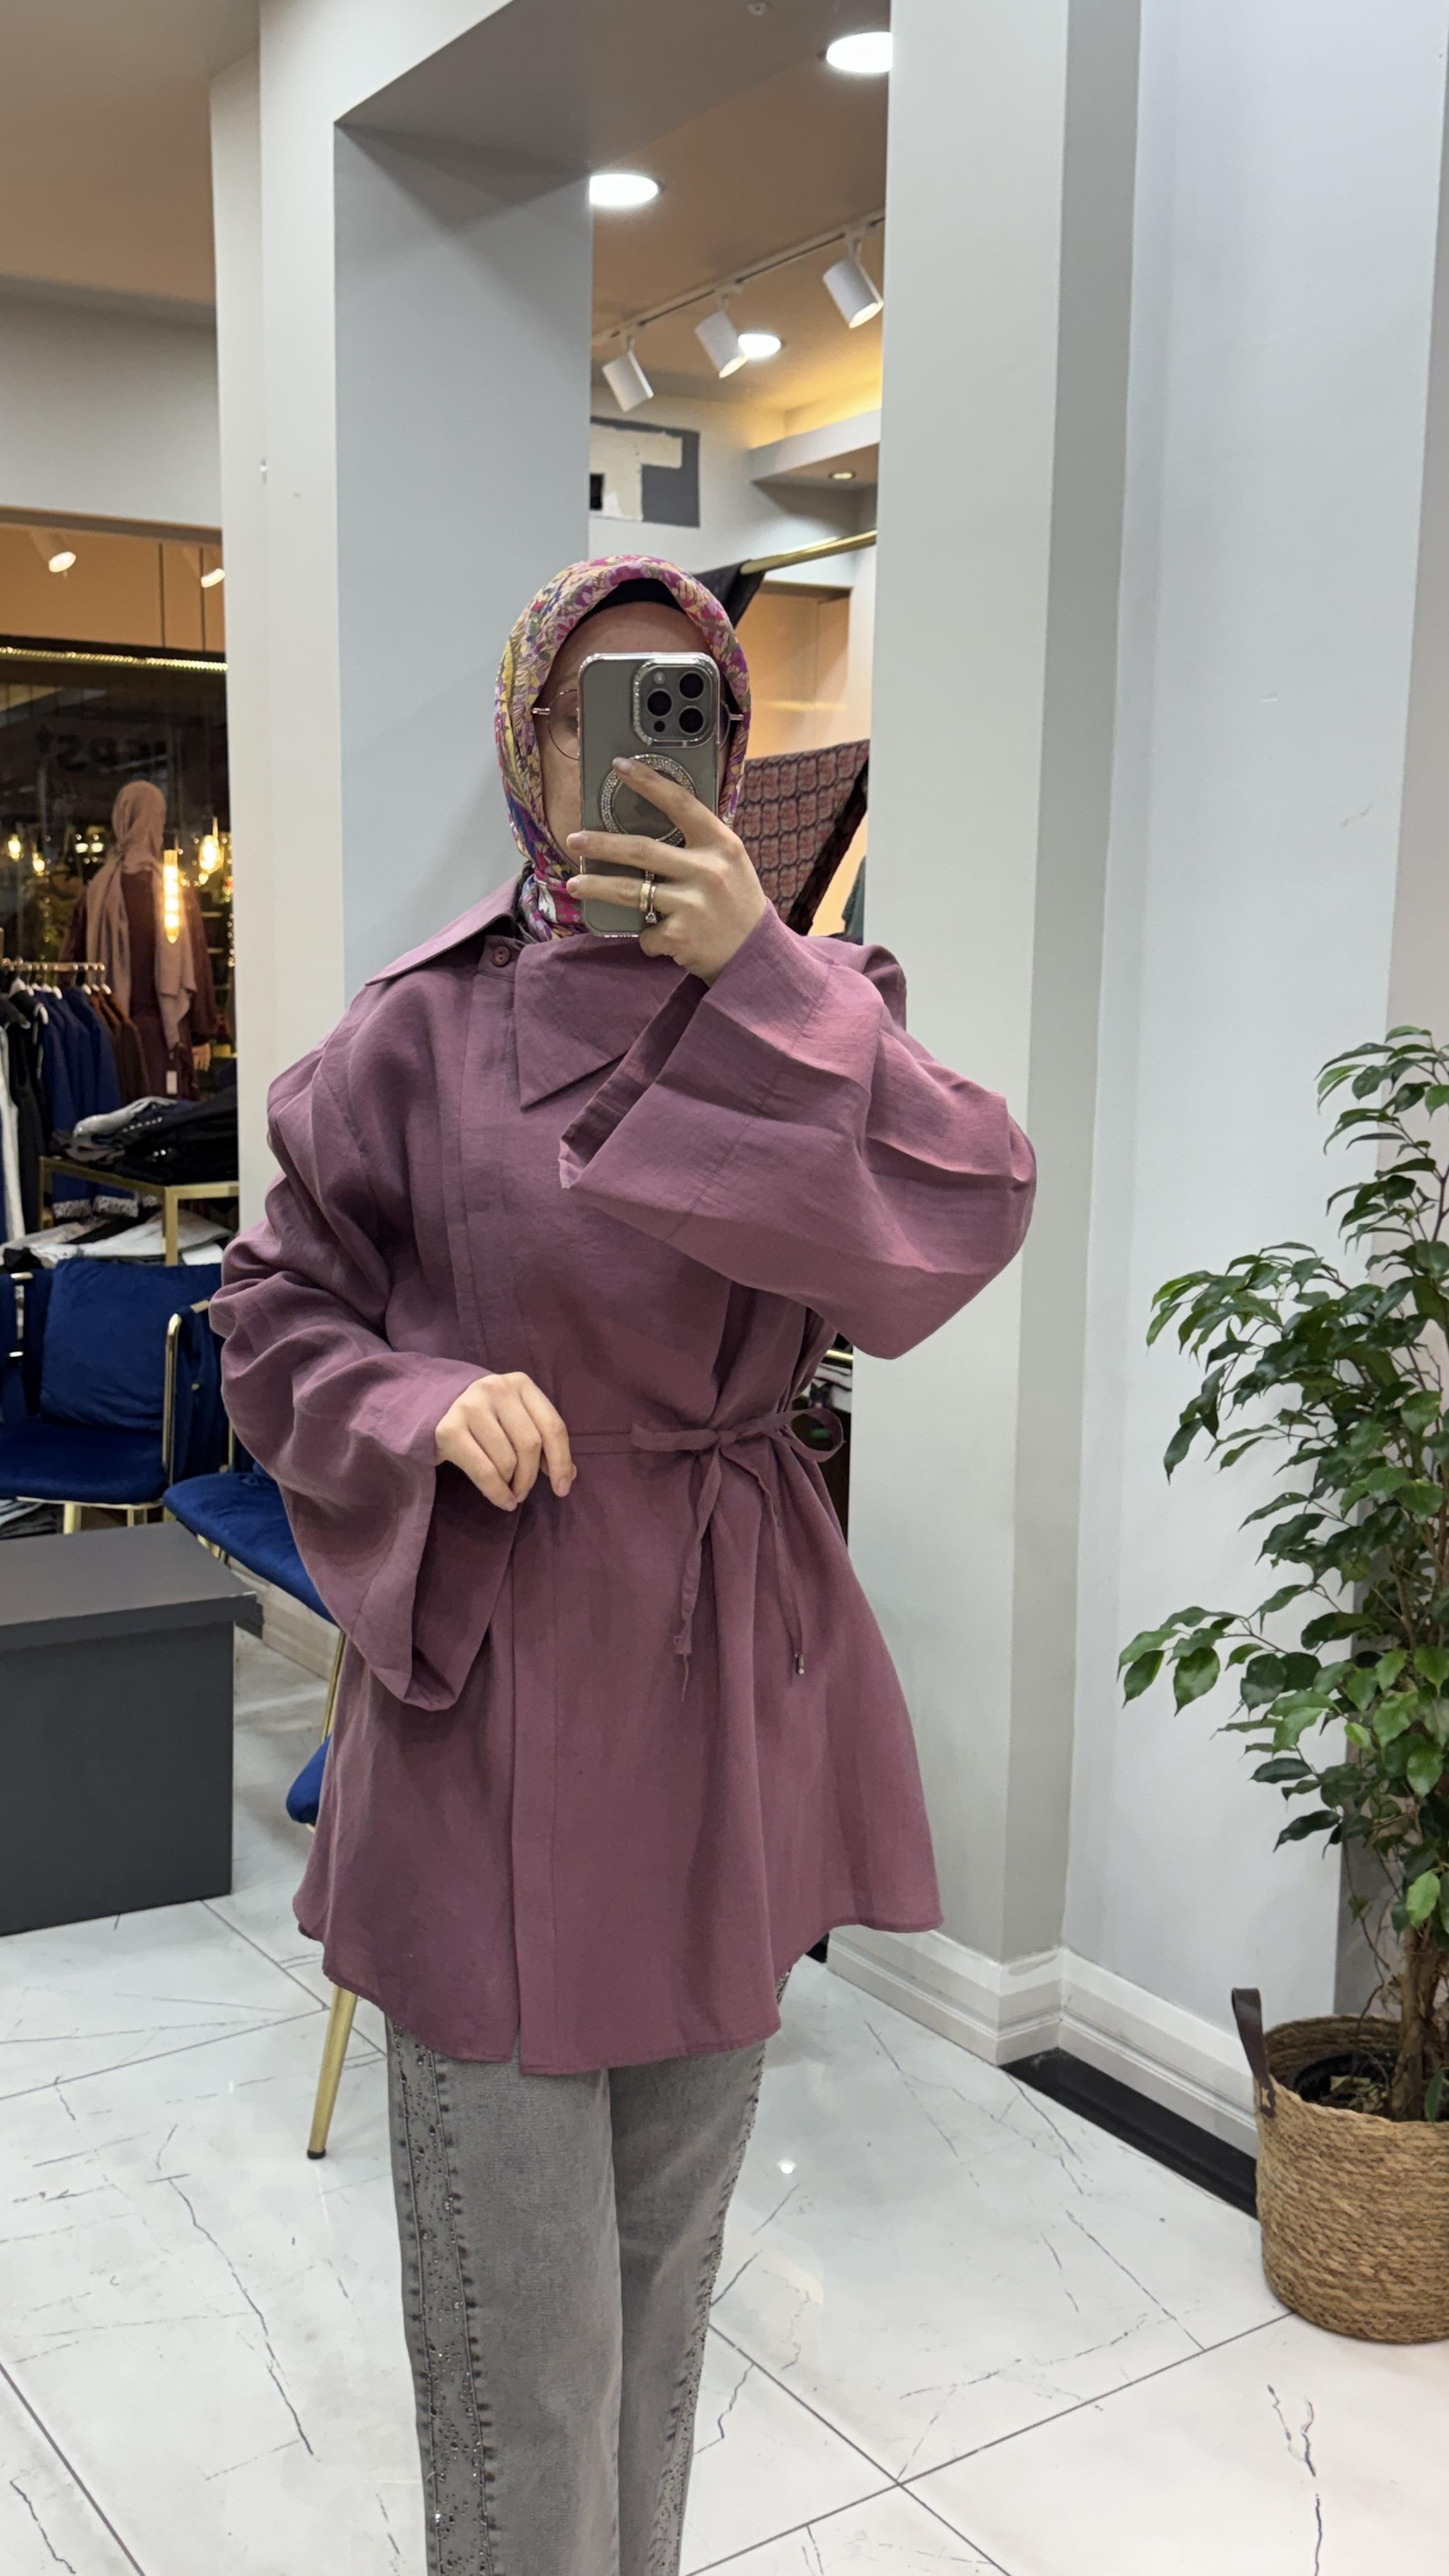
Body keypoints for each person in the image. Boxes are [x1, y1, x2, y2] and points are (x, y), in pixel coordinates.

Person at [211, 553, 1035, 2576]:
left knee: (664, 2295)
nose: (638, 746)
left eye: (686, 705)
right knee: (528, 2349)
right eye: (600, 702)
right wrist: (415, 1403)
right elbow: (271, 1319)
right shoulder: (413, 1035)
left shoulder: (829, 1012)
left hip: (723, 1690)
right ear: (528, 733)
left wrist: (768, 979)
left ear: (734, 750)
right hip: (495, 1687)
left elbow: (974, 1202)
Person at [61, 779, 217, 1098]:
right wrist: (202, 1035)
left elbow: (71, 967)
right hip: (166, 1032)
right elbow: (198, 965)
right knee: (167, 1116)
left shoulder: (96, 893)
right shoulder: (172, 890)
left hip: (111, 1034)